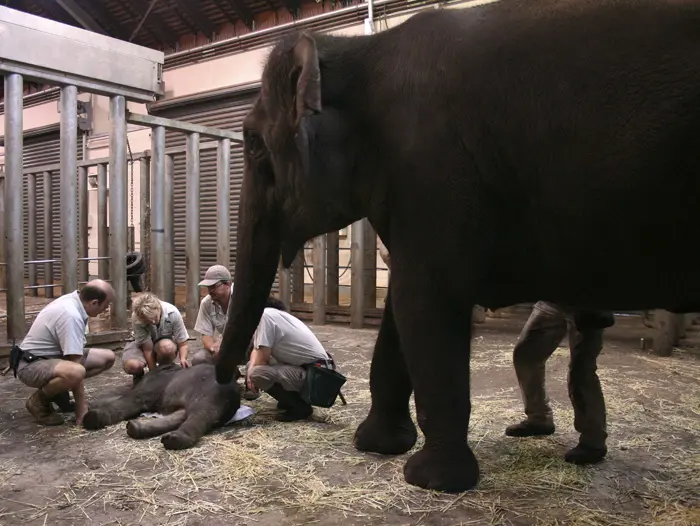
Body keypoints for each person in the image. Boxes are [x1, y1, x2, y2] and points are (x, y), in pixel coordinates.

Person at [505, 301, 614, 465]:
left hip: (588, 300)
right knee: (525, 355)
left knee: (581, 371)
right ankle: (539, 419)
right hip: (554, 299)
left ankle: (593, 442)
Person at [14, 280, 116, 426]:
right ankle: (38, 402)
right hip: (31, 365)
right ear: (94, 303)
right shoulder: (71, 315)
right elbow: (75, 362)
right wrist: (82, 410)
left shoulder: (74, 301)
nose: (105, 310)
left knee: (107, 358)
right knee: (76, 372)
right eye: (105, 306)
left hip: (52, 358)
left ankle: (57, 393)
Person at [246, 295, 332, 422]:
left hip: (316, 376)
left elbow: (262, 357)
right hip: (314, 370)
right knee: (251, 367)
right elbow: (257, 350)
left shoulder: (265, 316)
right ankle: (288, 399)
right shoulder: (277, 316)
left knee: (257, 373)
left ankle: (300, 407)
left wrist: (250, 377)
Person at [122, 292, 190, 383]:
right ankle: (139, 376)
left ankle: (165, 370)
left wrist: (183, 359)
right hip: (141, 343)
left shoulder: (172, 312)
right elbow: (147, 349)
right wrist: (153, 374)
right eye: (148, 321)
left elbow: (183, 342)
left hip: (162, 342)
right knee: (133, 365)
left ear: (158, 307)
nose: (153, 321)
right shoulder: (137, 317)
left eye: (155, 317)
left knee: (167, 348)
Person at [192, 264, 233, 366]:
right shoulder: (206, 303)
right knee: (199, 359)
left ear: (227, 284)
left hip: (247, 345)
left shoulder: (241, 297)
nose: (210, 291)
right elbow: (206, 335)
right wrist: (213, 348)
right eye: (208, 287)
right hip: (223, 349)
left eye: (214, 286)